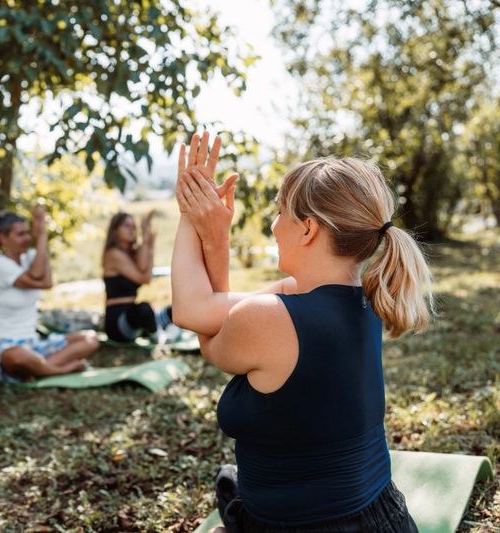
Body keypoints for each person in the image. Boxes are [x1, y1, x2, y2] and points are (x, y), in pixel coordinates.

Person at [172, 132, 427, 532]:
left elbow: (194, 315)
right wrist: (215, 234)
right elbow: (208, 310)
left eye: (280, 212)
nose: (274, 226)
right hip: (385, 519)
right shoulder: (371, 296)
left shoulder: (268, 317)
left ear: (308, 229)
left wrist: (193, 217)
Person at [0, 205, 99, 382]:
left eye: (28, 233)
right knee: (18, 357)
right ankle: (59, 370)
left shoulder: (30, 257)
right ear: (2, 238)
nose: (27, 238)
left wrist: (42, 236)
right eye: (20, 234)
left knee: (90, 339)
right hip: (5, 344)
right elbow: (37, 276)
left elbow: (47, 282)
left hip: (33, 344)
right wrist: (41, 237)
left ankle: (38, 369)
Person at [102, 211, 177, 343]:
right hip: (118, 322)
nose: (131, 230)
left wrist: (149, 242)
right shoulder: (112, 254)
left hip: (135, 318)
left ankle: (159, 330)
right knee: (143, 308)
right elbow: (142, 277)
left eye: (133, 227)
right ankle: (159, 336)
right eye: (126, 226)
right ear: (115, 230)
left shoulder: (133, 253)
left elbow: (146, 277)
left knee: (176, 311)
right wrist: (145, 239)